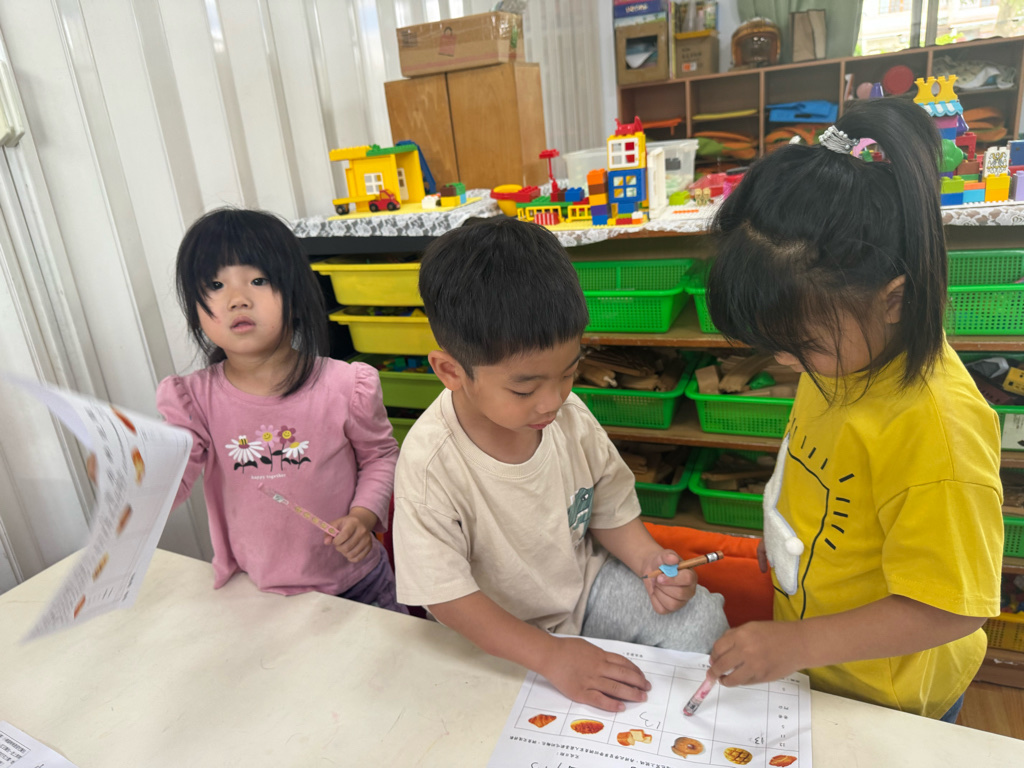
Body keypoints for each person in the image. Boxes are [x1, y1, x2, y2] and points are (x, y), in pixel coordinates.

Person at [704, 97, 1004, 722]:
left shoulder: (937, 429)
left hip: (890, 695)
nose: (787, 363)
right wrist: (786, 543)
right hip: (822, 664)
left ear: (894, 299)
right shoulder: (839, 357)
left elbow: (954, 606)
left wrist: (796, 644)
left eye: (802, 345)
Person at [392, 217, 728, 712]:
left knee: (700, 619)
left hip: (582, 593)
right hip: (493, 630)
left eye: (568, 373)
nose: (552, 401)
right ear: (451, 371)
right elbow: (444, 595)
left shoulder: (569, 417)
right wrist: (549, 655)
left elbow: (609, 506)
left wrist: (648, 561)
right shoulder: (429, 464)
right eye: (524, 389)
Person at [156, 208, 404, 612]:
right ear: (197, 313)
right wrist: (130, 469)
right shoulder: (194, 400)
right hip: (257, 593)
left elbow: (380, 456)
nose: (238, 299)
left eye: (259, 280)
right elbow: (171, 482)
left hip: (358, 585)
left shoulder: (346, 385)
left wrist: (362, 517)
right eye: (215, 285)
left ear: (296, 296)